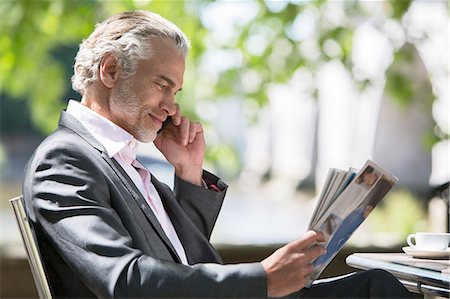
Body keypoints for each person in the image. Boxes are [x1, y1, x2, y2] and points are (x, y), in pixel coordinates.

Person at [22, 10, 413, 298]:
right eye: (162, 84)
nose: (171, 108)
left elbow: (188, 265)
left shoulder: (123, 161)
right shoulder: (65, 160)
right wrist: (263, 278)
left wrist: (188, 176)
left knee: (375, 287)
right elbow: (126, 280)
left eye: (175, 92)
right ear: (110, 70)